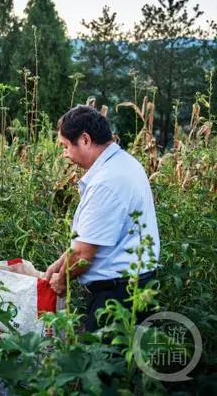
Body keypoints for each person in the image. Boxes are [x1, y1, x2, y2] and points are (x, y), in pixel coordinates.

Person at [44, 105, 160, 332]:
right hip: (133, 286)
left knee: (107, 362)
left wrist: (61, 280)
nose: (65, 154)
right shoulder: (124, 163)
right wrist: (57, 265)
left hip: (118, 296)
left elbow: (83, 254)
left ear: (85, 139)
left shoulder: (107, 181)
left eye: (66, 146)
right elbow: (90, 238)